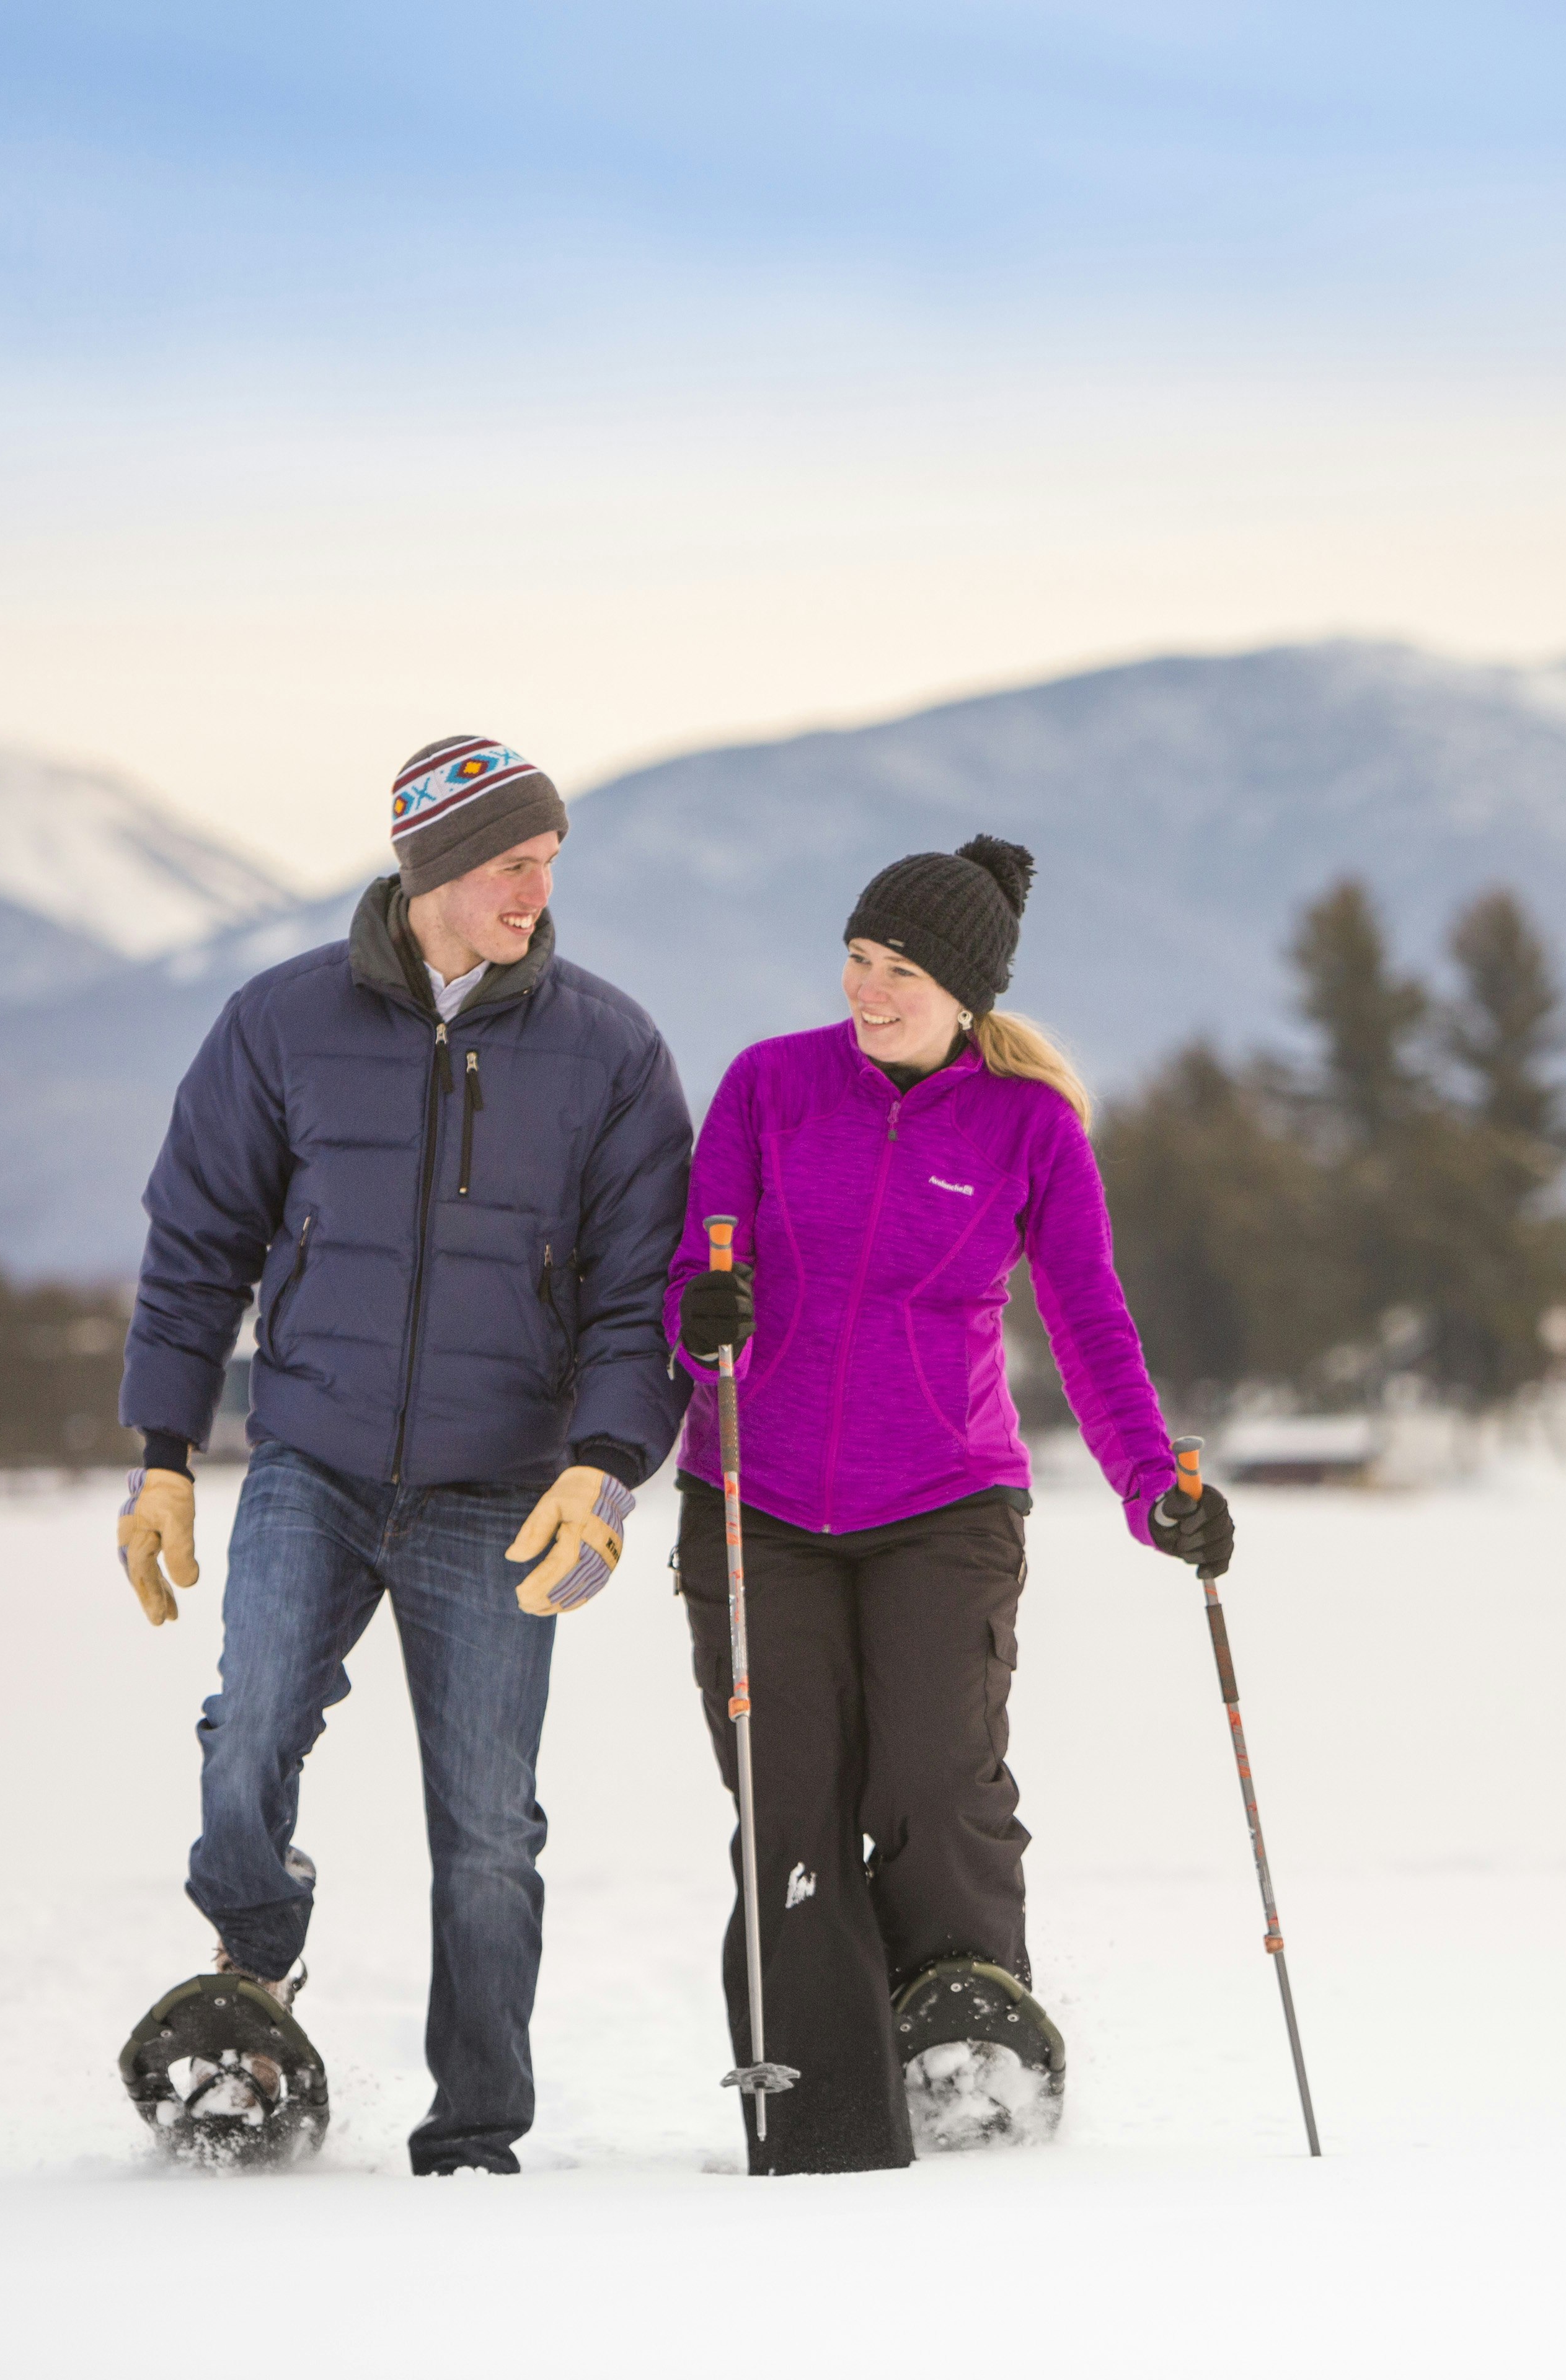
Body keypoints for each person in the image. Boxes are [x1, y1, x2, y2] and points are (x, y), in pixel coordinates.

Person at [113, 734, 694, 2174]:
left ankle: (477, 2130)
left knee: (490, 1826)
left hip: (504, 1485)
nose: (537, 889)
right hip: (313, 1456)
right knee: (248, 1730)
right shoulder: (279, 1023)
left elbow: (643, 1295)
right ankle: (254, 1968)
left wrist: (610, 1463)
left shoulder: (610, 1051)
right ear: (433, 868)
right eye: (514, 861)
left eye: (551, 860)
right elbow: (197, 1247)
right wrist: (165, 1450)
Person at [667, 836, 1236, 2174]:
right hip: (756, 1495)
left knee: (933, 1773)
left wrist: (1156, 1489)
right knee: (791, 1798)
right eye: (859, 958)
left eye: (902, 971)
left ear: (966, 991)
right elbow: (698, 1268)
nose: (869, 989)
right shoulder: (770, 1086)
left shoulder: (1028, 1128)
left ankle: (966, 2046)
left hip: (942, 1499)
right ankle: (819, 2113)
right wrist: (703, 1321)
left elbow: (1091, 1326)